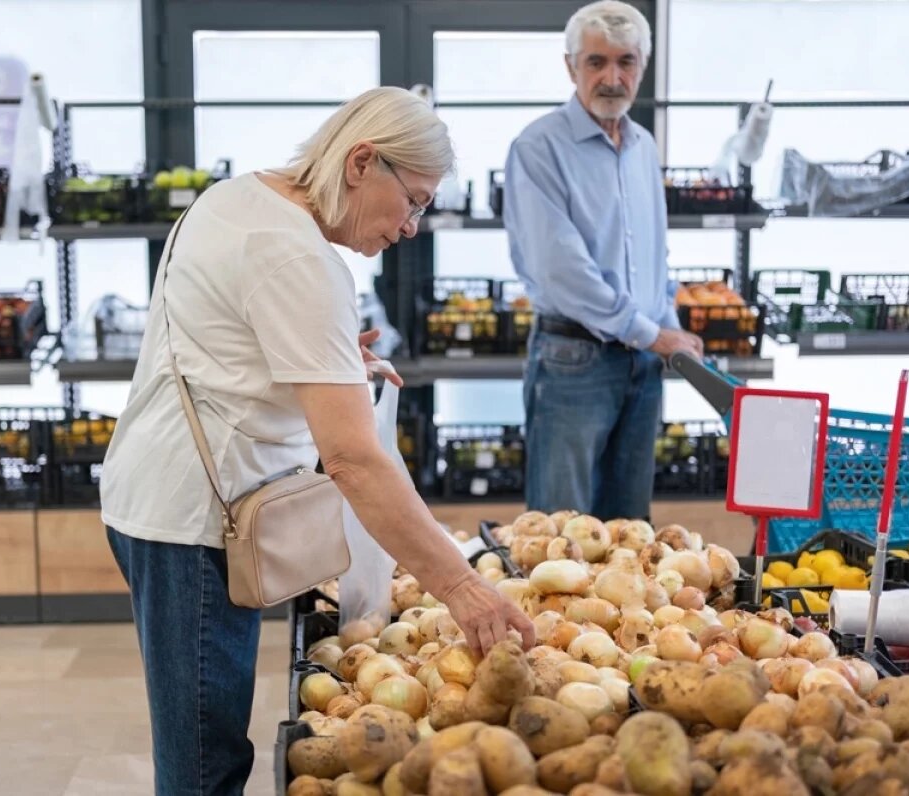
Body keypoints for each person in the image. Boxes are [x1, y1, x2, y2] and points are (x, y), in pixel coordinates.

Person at [98, 87, 535, 796]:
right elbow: (355, 461)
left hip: (152, 495)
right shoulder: (299, 257)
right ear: (364, 162)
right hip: (191, 527)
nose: (414, 226)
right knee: (203, 767)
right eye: (416, 201)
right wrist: (460, 586)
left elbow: (219, 342)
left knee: (200, 744)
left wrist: (329, 358)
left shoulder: (236, 199)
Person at [504, 0, 704, 521]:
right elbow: (560, 269)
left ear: (642, 66)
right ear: (571, 66)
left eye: (626, 62)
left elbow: (653, 255)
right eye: (596, 62)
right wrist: (653, 334)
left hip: (641, 362)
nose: (612, 77)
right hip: (573, 360)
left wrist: (670, 329)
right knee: (561, 532)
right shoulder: (538, 148)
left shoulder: (642, 146)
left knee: (628, 531)